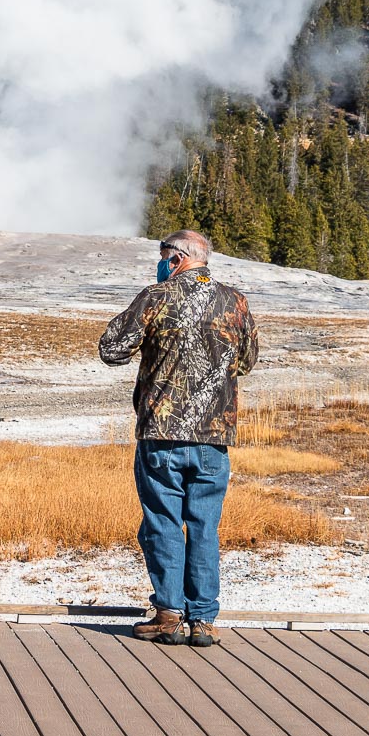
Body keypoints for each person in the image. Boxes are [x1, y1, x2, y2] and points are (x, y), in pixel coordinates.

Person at [99, 229, 258, 647]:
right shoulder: (235, 301)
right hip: (213, 437)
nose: (159, 264)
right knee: (204, 526)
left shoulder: (157, 297)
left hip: (162, 432)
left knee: (163, 523)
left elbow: (111, 349)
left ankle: (169, 614)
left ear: (175, 259)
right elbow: (248, 360)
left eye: (161, 257)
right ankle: (203, 619)